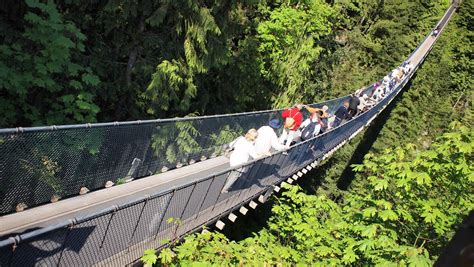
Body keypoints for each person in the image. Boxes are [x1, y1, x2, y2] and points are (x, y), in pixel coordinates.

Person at [222, 129, 259, 193]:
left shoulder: (240, 138)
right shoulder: (250, 145)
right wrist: (264, 154)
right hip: (240, 163)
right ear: (254, 137)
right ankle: (225, 188)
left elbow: (231, 145)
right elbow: (256, 156)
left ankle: (227, 182)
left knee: (232, 171)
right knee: (236, 175)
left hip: (233, 159)